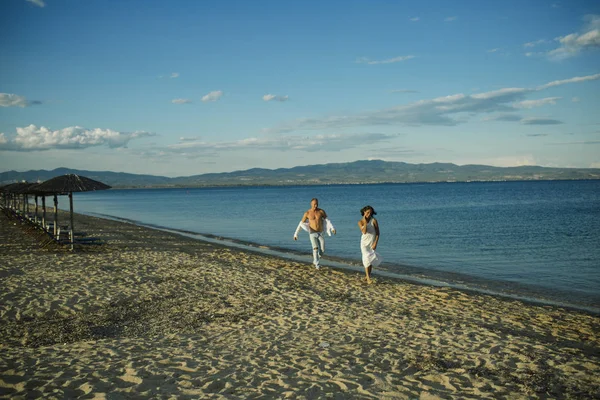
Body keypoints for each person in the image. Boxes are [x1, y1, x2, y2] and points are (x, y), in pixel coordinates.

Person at [293, 198, 336, 269]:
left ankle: (316, 258)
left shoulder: (321, 211)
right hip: (312, 233)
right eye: (314, 204)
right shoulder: (307, 213)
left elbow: (328, 220)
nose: (315, 206)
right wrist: (295, 234)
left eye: (316, 204)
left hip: (320, 233)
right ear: (311, 204)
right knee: (315, 248)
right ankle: (317, 264)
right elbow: (301, 224)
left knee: (322, 250)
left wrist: (332, 228)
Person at [358, 205, 381, 284]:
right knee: (366, 259)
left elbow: (378, 233)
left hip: (372, 242)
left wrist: (375, 243)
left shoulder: (374, 220)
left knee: (370, 260)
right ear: (364, 212)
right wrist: (364, 221)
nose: (369, 214)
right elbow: (364, 232)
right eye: (367, 212)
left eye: (370, 213)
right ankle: (368, 278)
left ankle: (367, 276)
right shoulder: (360, 222)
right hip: (364, 243)